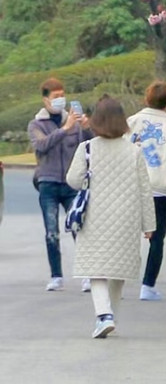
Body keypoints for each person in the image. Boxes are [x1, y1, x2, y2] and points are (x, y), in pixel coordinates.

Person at [65, 95, 156, 339]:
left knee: (96, 269)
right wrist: (149, 225)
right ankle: (110, 316)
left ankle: (104, 316)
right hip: (127, 217)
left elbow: (72, 180)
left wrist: (89, 177)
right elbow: (145, 189)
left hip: (95, 216)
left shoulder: (87, 148)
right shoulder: (134, 152)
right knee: (118, 269)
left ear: (96, 120)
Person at [29, 75, 93, 290]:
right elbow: (41, 145)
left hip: (71, 183)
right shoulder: (36, 124)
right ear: (45, 100)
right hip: (48, 182)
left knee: (79, 227)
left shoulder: (73, 121)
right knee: (51, 230)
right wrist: (64, 129)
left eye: (62, 96)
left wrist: (86, 127)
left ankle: (86, 274)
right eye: (56, 97)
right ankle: (56, 275)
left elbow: (87, 145)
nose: (60, 100)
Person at [127, 80, 166, 300]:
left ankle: (119, 278)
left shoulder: (132, 122)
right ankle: (148, 285)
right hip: (160, 188)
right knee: (157, 238)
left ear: (146, 98)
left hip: (132, 185)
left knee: (128, 234)